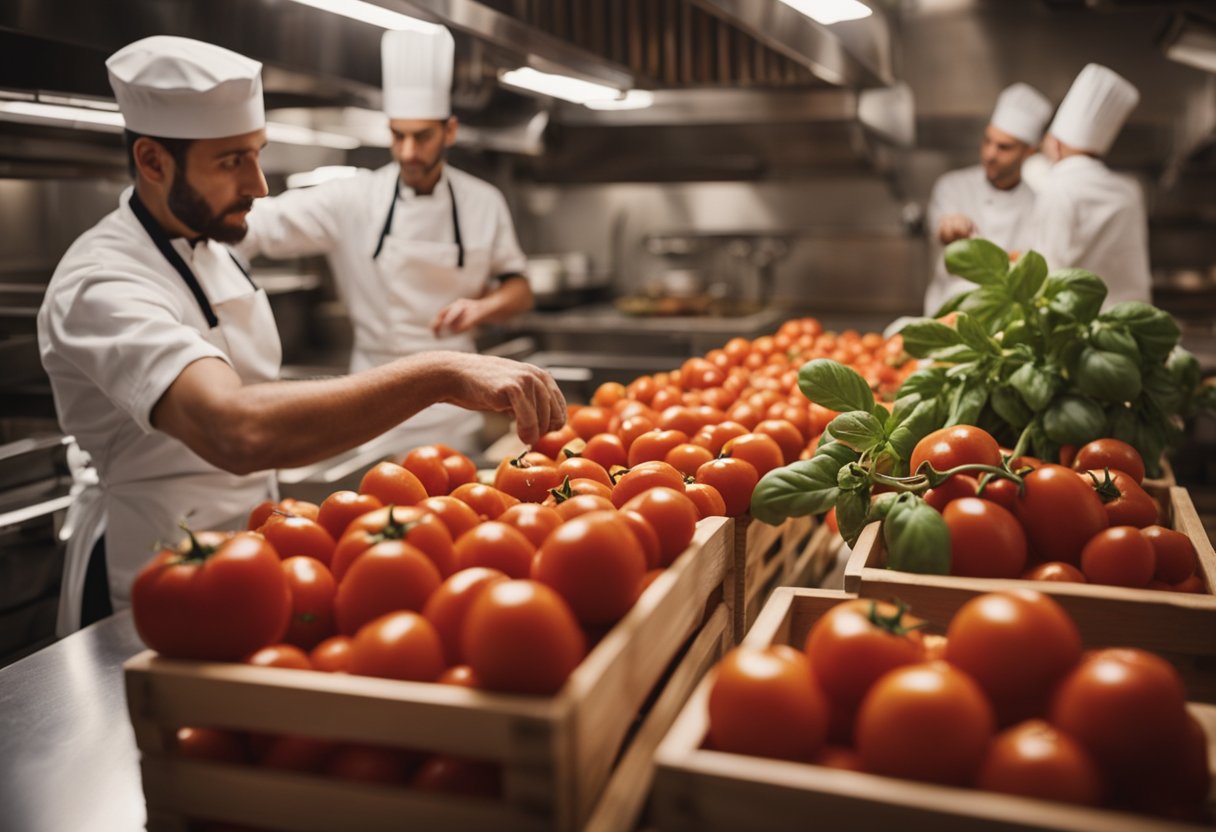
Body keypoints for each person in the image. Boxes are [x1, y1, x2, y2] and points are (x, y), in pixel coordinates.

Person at [36, 36, 565, 635]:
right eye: (232, 160)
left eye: (257, 154)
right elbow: (235, 427)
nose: (260, 186)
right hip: (154, 574)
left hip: (249, 553)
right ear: (154, 163)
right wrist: (436, 371)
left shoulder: (211, 243)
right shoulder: (103, 282)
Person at [236, 25, 533, 452]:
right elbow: (263, 224)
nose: (409, 151)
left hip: (457, 406)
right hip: (372, 403)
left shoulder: (484, 202)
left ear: (449, 131)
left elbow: (519, 289)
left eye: (422, 136)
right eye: (398, 135)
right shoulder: (354, 198)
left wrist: (482, 308)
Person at [923, 83, 1054, 315]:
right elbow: (942, 233)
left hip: (1005, 323)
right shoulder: (952, 186)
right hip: (948, 314)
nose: (990, 154)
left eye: (1004, 147)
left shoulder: (1038, 206)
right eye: (987, 141)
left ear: (1029, 151)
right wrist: (950, 227)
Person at [1034, 63, 1150, 308]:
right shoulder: (1130, 190)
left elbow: (1047, 271)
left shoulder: (1058, 186)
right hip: (1132, 322)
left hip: (1080, 329)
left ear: (1056, 144)